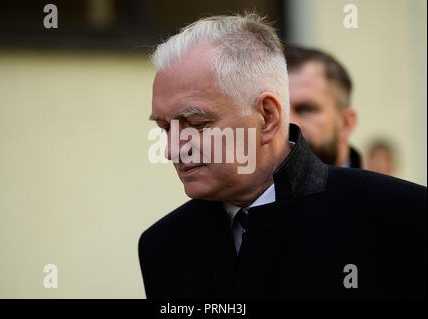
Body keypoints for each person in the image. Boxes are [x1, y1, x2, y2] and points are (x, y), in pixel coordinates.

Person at [139, 13, 426, 298]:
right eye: (165, 128)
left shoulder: (403, 218)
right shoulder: (163, 246)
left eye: (197, 124)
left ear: (266, 117)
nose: (172, 149)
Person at [285, 46, 362, 168]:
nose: (288, 123)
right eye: (278, 110)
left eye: (306, 109)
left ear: (346, 123)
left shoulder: (386, 187)